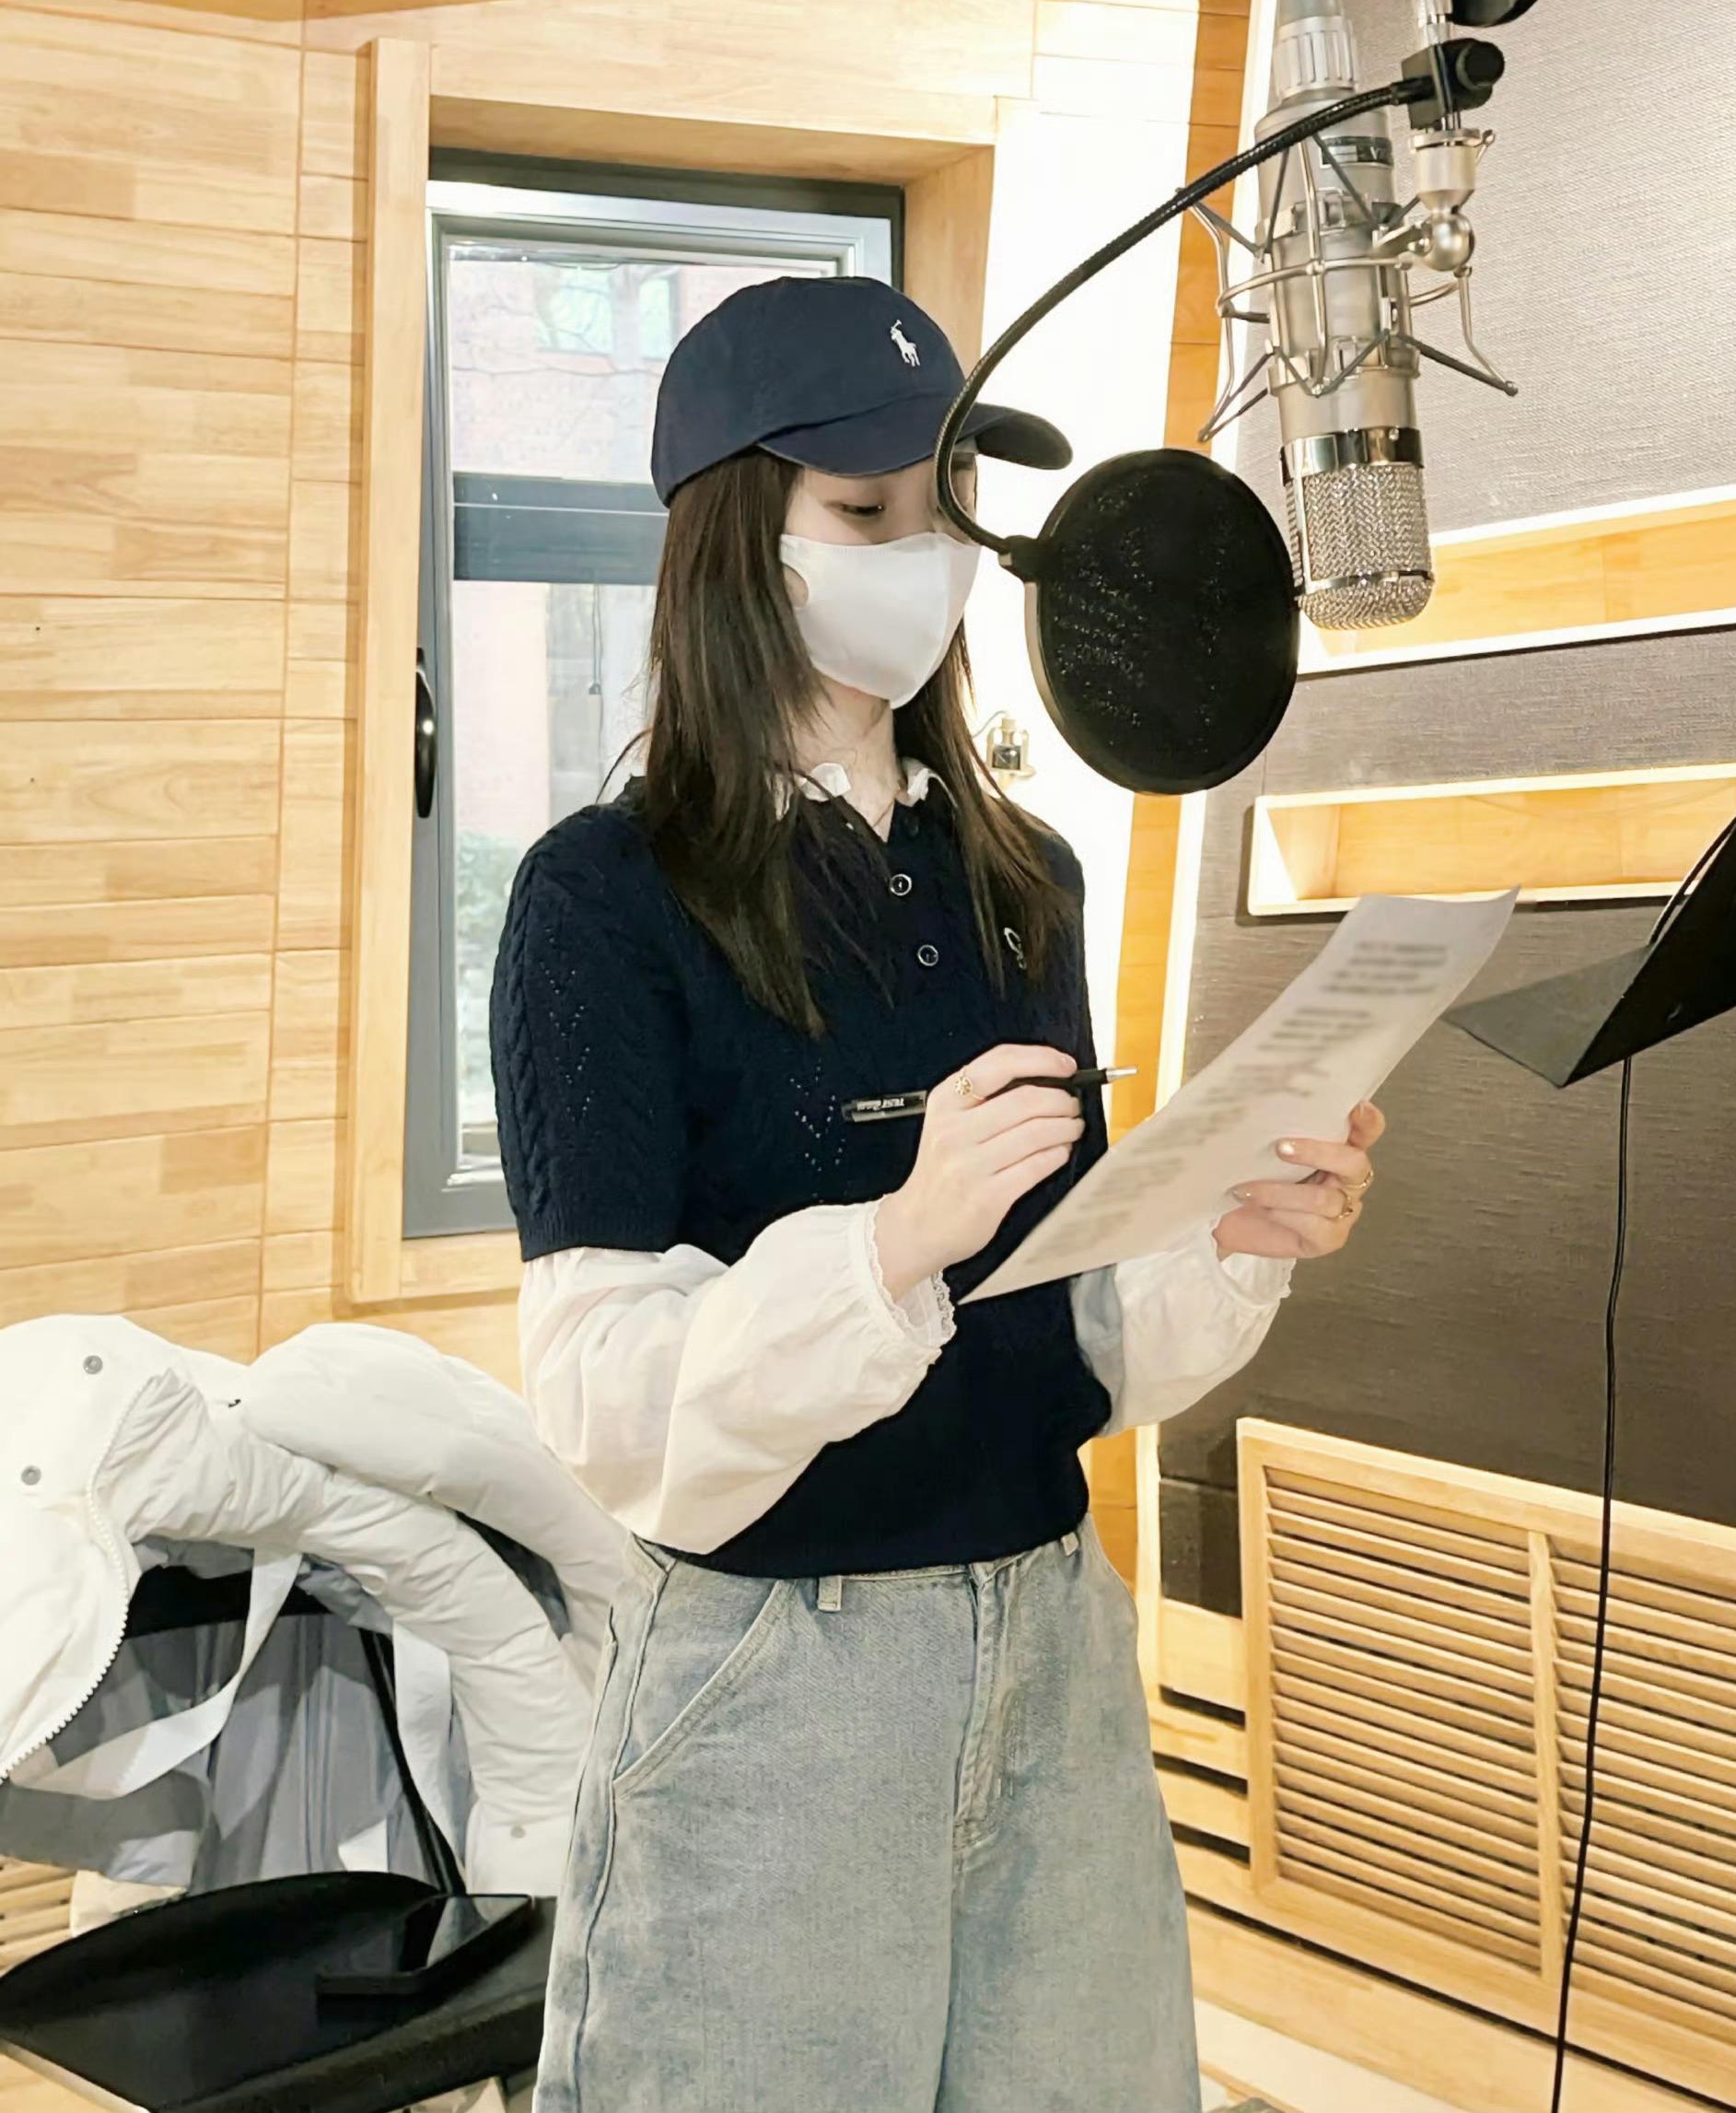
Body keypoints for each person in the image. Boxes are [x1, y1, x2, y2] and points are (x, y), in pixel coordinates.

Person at [490, 276, 1383, 2113]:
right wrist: (894, 1242)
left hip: (1052, 1638)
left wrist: (1225, 1242)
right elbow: (604, 1398)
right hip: (771, 1681)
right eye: (868, 510)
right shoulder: (602, 898)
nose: (933, 559)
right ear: (733, 536)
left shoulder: (1024, 875)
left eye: (949, 505)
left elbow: (1066, 1347)